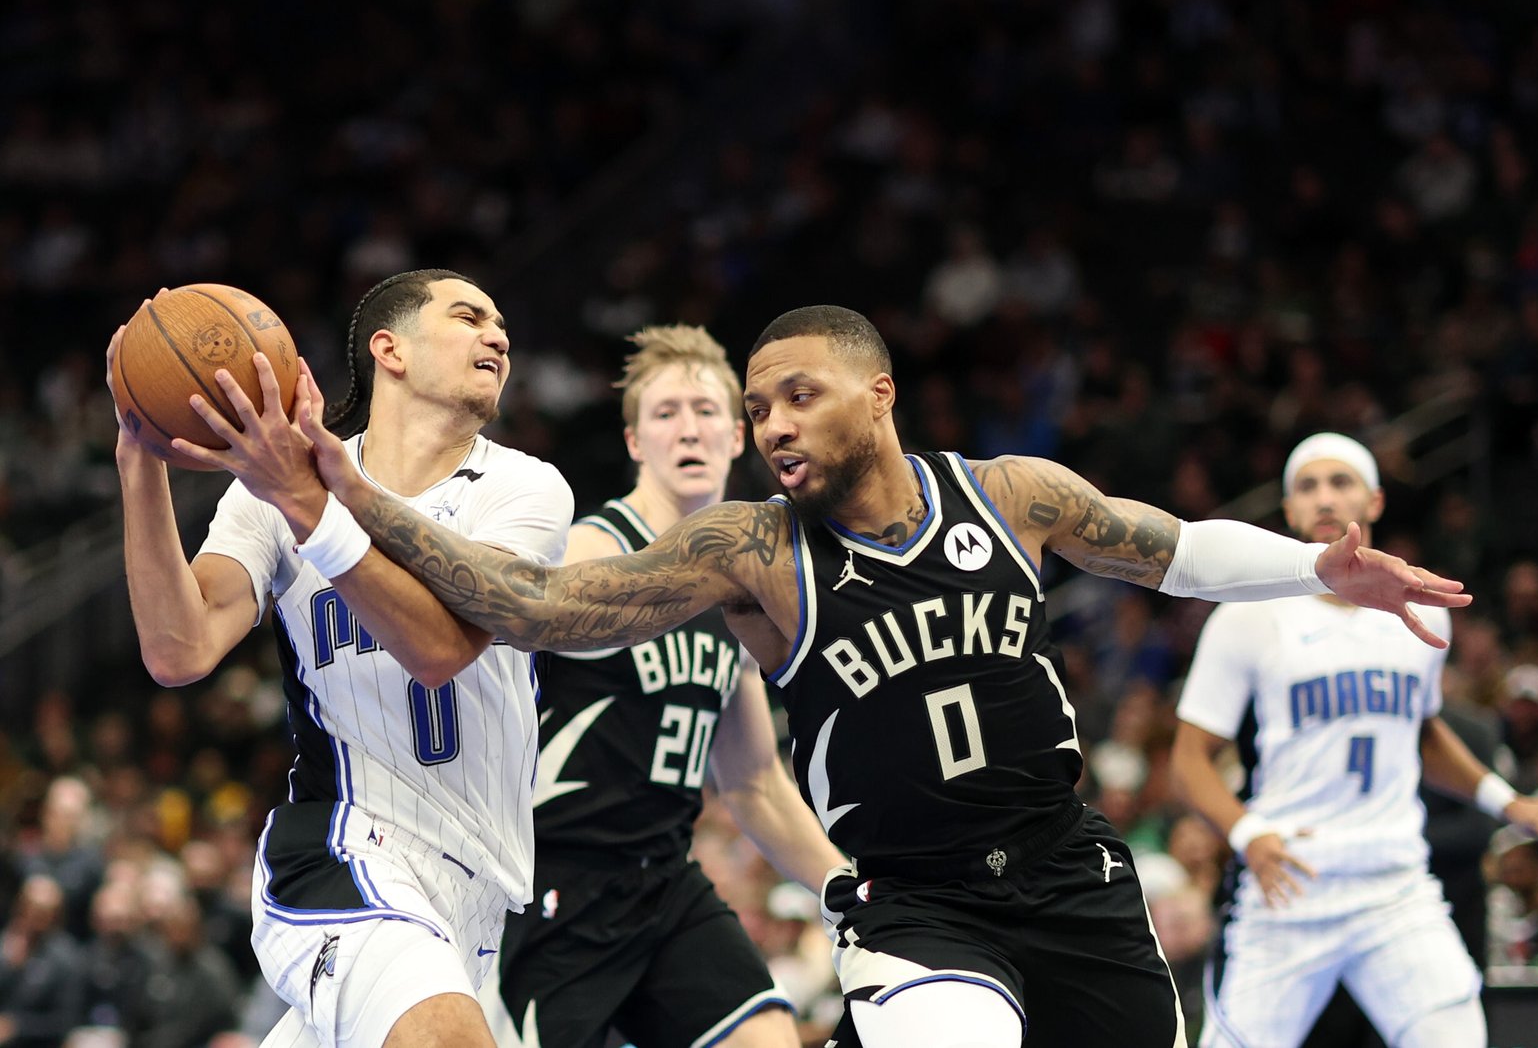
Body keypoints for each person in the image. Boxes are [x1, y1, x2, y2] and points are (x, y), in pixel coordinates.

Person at [239, 305, 1471, 1048]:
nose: (767, 424)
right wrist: (351, 496)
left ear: (876, 395)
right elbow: (540, 607)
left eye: (795, 396)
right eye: (755, 406)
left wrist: (1323, 567)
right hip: (915, 903)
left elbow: (1180, 551)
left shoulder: (1009, 494)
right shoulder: (753, 551)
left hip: (1069, 873)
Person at [112, 269, 572, 1048]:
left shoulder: (524, 489)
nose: (498, 334)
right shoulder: (269, 492)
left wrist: (311, 504)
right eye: (469, 316)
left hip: (477, 888)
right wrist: (139, 458)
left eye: (501, 323)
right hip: (345, 848)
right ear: (389, 349)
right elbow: (178, 647)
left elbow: (440, 645)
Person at [487, 326, 841, 1048]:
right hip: (553, 884)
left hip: (664, 882)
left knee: (770, 1037)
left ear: (738, 436)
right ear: (634, 442)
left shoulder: (743, 580)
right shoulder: (589, 550)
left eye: (706, 410)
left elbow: (753, 783)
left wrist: (846, 885)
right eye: (667, 412)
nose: (689, 427)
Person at [1169, 432, 1538, 1048]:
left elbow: (1422, 731)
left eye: (1341, 482)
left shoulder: (1421, 608)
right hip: (1292, 884)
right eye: (1308, 486)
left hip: (1394, 885)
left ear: (1376, 501)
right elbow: (1188, 759)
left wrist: (1507, 802)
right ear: (1289, 510)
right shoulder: (1247, 614)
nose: (1325, 498)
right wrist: (1248, 834)